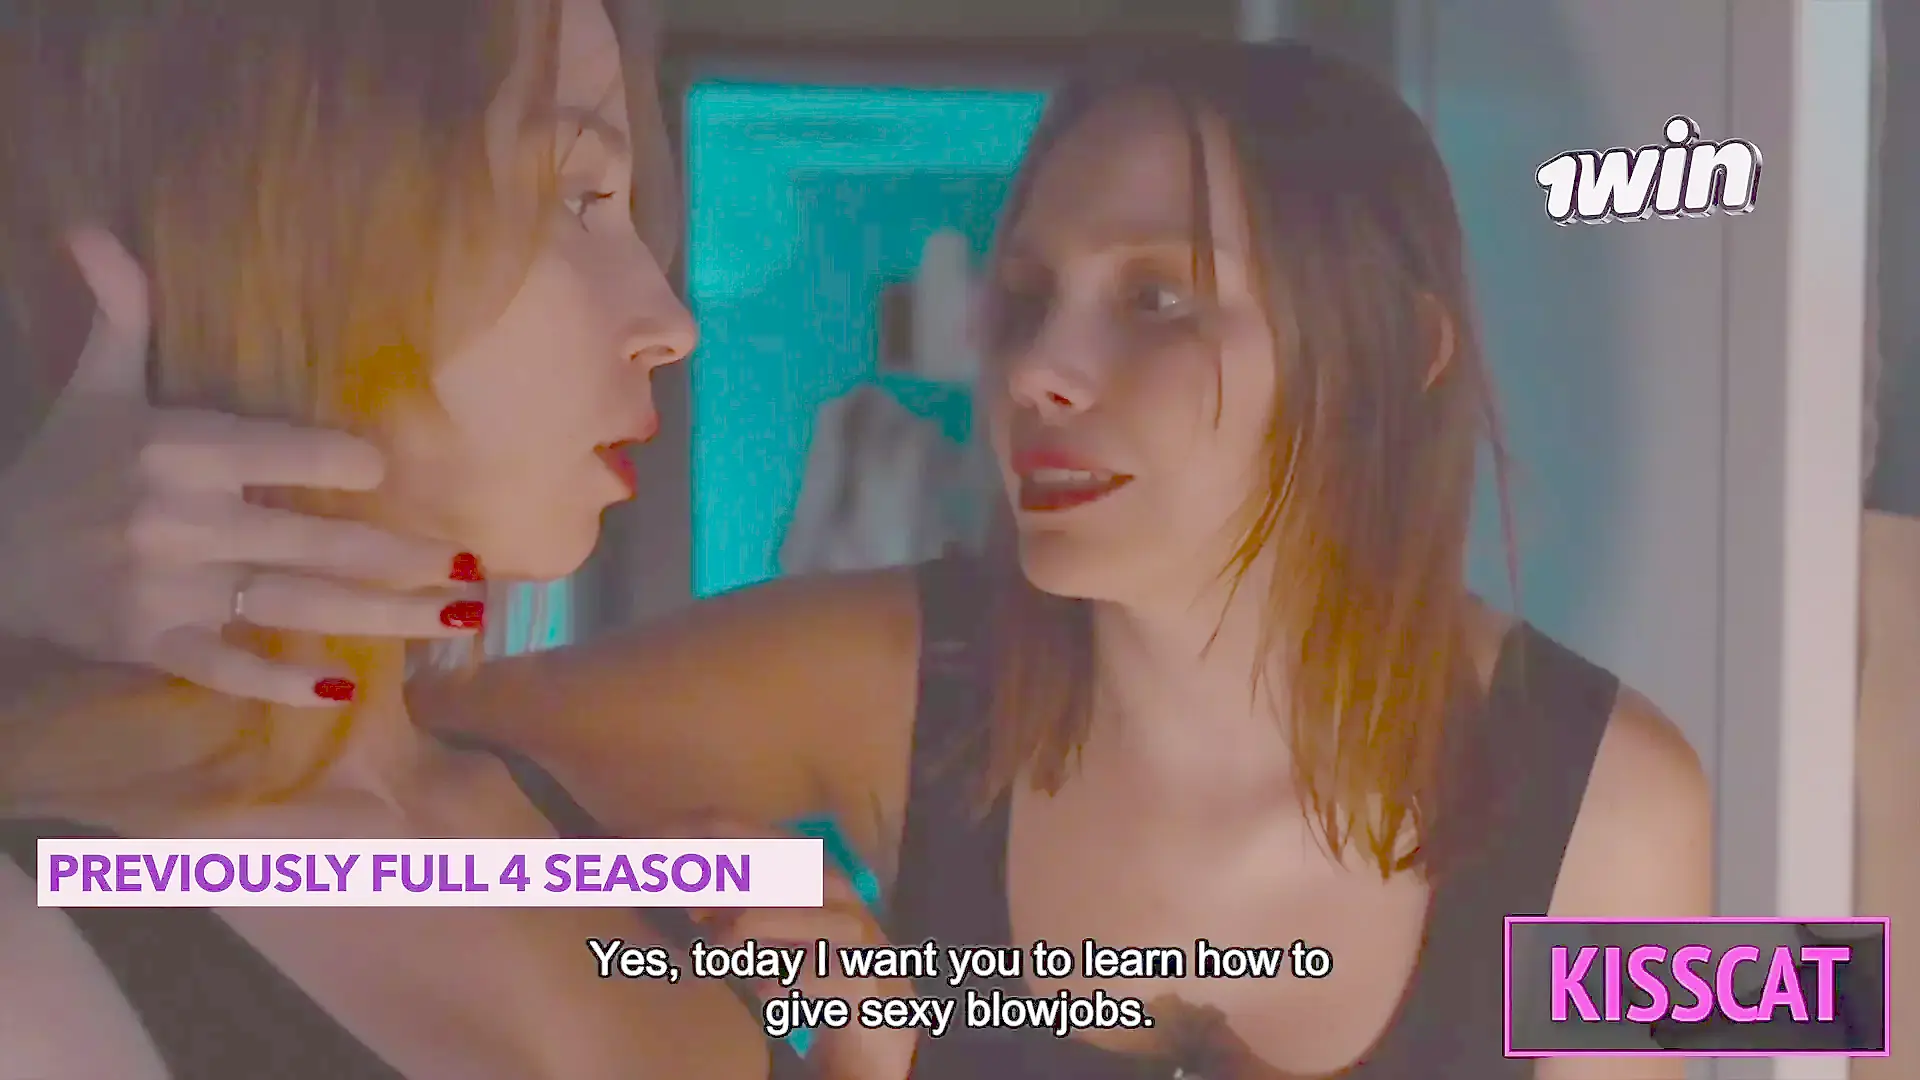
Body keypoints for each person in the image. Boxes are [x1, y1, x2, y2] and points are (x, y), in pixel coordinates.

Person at [0, 38, 1712, 1080]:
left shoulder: (1626, 811)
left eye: (1160, 298)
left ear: (1399, 358)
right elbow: (354, 767)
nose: (1038, 371)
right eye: (1023, 296)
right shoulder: (891, 680)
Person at [0, 3, 908, 1079]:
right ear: (283, 232)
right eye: (574, 196)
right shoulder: (38, 943)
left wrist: (863, 1060)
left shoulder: (586, 835)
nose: (673, 324)